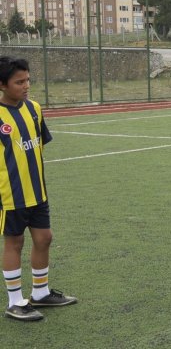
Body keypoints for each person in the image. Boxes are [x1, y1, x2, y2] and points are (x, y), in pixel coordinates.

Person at [0, 57, 78, 322]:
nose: (26, 86)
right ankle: (14, 302)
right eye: (19, 82)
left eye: (28, 80)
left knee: (44, 238)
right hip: (9, 195)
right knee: (15, 242)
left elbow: (38, 144)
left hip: (37, 191)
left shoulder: (34, 109)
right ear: (2, 85)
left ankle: (41, 293)